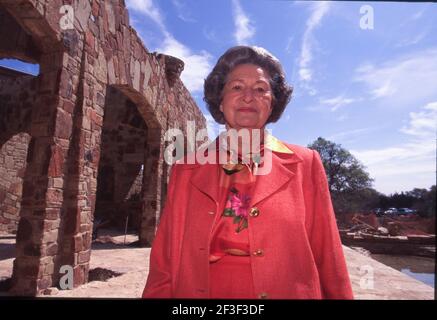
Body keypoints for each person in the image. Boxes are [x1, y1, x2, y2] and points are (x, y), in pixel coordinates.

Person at [142, 45, 354, 299]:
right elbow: (165, 261)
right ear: (220, 101)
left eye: (261, 89)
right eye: (237, 87)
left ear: (273, 102)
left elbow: (327, 253)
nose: (248, 97)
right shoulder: (186, 170)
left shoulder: (306, 163)